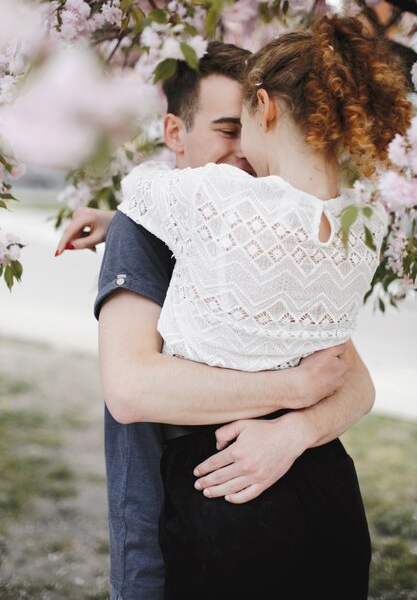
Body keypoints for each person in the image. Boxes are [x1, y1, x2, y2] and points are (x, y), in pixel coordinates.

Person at [57, 41, 377, 600]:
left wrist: (293, 432)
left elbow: (358, 382)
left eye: (247, 127)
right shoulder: (154, 231)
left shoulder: (271, 227)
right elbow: (132, 389)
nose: (246, 151)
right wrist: (297, 387)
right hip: (191, 517)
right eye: (229, 130)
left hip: (292, 498)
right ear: (175, 134)